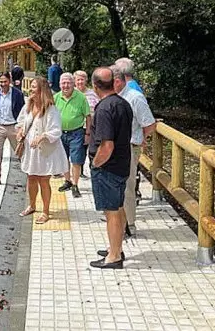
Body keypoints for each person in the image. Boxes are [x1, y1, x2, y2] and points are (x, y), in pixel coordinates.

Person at [88, 67, 133, 269]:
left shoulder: (104, 108)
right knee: (119, 206)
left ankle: (114, 256)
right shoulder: (123, 104)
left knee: (111, 212)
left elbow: (107, 145)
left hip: (108, 167)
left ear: (95, 85)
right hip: (122, 164)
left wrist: (95, 163)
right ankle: (116, 247)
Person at [17, 76, 69, 224]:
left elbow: (56, 130)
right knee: (31, 177)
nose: (30, 89)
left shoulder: (51, 109)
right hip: (31, 150)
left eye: (33, 87)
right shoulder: (28, 105)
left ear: (42, 90)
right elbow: (21, 121)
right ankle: (32, 205)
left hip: (46, 151)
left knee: (43, 180)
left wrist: (42, 136)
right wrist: (20, 131)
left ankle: (45, 211)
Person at [112, 65, 156, 235]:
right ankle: (117, 220)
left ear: (117, 81)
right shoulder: (115, 96)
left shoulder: (134, 98)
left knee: (127, 186)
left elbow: (149, 124)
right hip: (114, 147)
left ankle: (129, 224)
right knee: (116, 186)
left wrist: (141, 138)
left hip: (129, 147)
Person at [54, 73, 91, 198]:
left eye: (68, 83)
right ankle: (67, 181)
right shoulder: (56, 97)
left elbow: (88, 116)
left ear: (73, 84)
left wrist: (87, 133)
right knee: (63, 159)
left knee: (76, 160)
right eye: (63, 83)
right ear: (59, 85)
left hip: (77, 132)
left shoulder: (80, 97)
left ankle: (75, 184)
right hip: (60, 133)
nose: (66, 86)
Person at [0, 72, 26, 187]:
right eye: (1, 82)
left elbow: (23, 111)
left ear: (10, 81)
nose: (3, 84)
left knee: (20, 152)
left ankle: (29, 175)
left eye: (5, 81)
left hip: (13, 126)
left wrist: (21, 126)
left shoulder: (17, 94)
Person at [74, 70, 99, 178]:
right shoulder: (72, 93)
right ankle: (79, 170)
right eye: (78, 79)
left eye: (82, 79)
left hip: (93, 126)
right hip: (79, 126)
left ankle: (93, 169)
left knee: (93, 149)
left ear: (86, 80)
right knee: (80, 149)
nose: (80, 82)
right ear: (74, 81)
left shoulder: (93, 93)